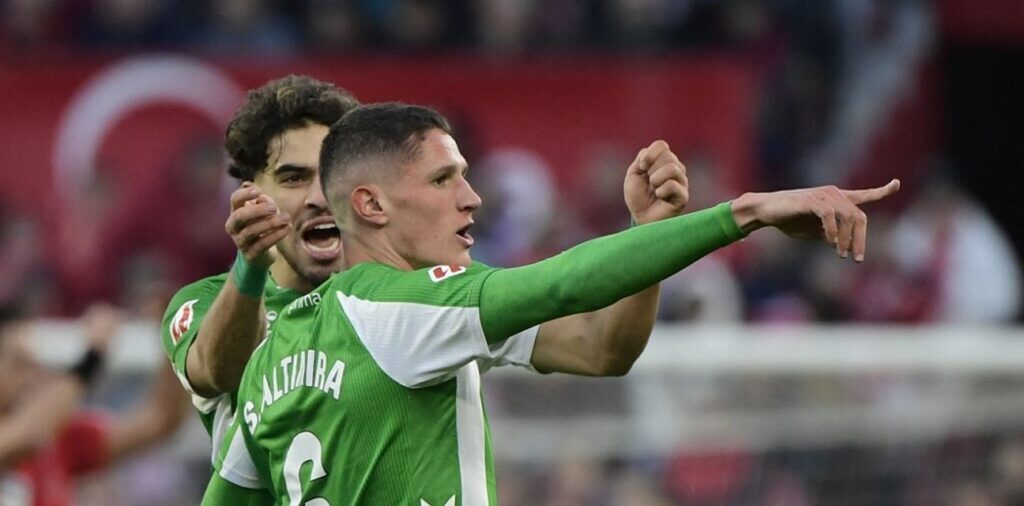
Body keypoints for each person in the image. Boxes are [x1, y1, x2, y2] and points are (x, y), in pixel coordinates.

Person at [212, 103, 899, 504]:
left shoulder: (278, 352)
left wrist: (650, 236)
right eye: (446, 178)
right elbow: (564, 283)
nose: (472, 198)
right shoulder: (407, 313)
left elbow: (603, 349)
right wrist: (746, 213)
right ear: (371, 204)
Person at [170, 76, 690, 504]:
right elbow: (219, 369)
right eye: (291, 178)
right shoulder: (205, 304)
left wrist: (649, 235)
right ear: (249, 196)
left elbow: (600, 346)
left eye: (327, 174)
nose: (318, 199)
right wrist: (250, 270)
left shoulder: (421, 298)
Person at [0, 303, 189, 506]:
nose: (32, 375)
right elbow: (26, 436)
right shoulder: (34, 433)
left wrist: (175, 335)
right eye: (19, 364)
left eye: (35, 363)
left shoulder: (57, 437)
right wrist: (92, 357)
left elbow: (161, 419)